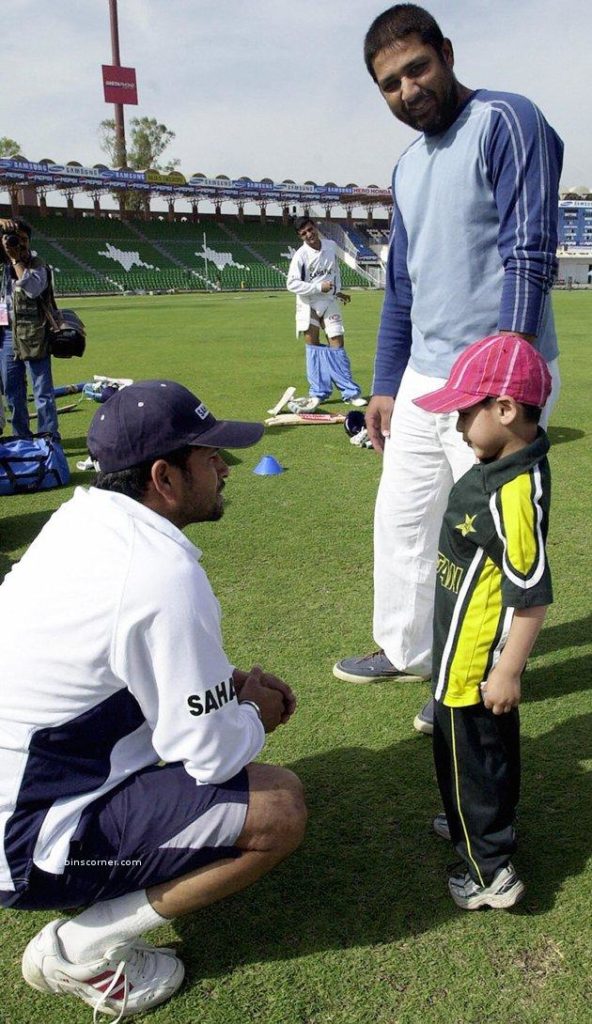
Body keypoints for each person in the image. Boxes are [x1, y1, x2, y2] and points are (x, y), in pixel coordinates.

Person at [0, 380, 307, 1020]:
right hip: (30, 842)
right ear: (164, 478)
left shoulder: (83, 517)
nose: (224, 466)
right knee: (278, 806)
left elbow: (131, 665)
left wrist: (228, 693)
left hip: (28, 794)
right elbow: (211, 757)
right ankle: (82, 946)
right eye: (209, 455)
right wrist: (254, 714)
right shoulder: (158, 574)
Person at [333, 4, 563, 737]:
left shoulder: (507, 120)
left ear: (447, 54)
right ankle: (406, 649)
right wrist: (383, 385)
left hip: (495, 382)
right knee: (400, 522)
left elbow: (529, 251)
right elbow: (401, 287)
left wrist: (509, 380)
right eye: (390, 84)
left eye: (417, 69)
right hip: (427, 381)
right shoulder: (406, 167)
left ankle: (467, 678)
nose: (407, 90)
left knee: (485, 537)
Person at [412, 333, 553, 909]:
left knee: (467, 758)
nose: (458, 425)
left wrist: (508, 670)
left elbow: (532, 594)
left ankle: (488, 870)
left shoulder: (515, 492)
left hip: (473, 661)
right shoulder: (502, 463)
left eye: (466, 413)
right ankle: (483, 823)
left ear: (505, 409)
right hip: (463, 649)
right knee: (486, 753)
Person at [286, 216, 366, 410]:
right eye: (303, 233)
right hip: (308, 303)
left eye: (310, 229)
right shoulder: (300, 256)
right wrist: (317, 287)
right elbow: (291, 283)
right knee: (312, 346)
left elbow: (334, 272)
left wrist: (337, 291)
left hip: (329, 300)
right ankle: (318, 393)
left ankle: (350, 393)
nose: (309, 234)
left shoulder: (330, 245)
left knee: (337, 343)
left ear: (315, 227)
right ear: (300, 236)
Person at [0, 217, 59, 439]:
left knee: (42, 391)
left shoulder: (38, 264)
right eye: (15, 239)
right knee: (13, 393)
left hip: (36, 333)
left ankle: (48, 436)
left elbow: (33, 288)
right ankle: (21, 437)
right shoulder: (2, 265)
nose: (20, 244)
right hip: (6, 335)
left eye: (24, 239)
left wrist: (17, 261)